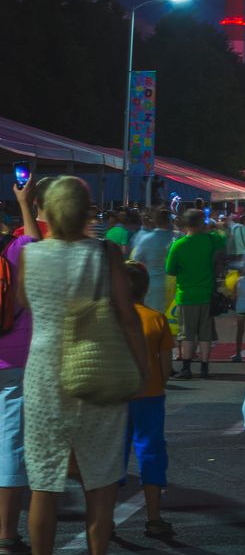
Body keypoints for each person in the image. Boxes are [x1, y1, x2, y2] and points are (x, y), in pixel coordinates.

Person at [19, 176, 147, 555]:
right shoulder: (105, 253)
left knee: (44, 482)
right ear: (85, 210)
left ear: (48, 210)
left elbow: (24, 302)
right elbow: (128, 316)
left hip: (44, 376)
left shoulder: (30, 255)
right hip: (97, 367)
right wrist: (142, 369)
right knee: (101, 480)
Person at [0, 181, 41, 555]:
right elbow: (35, 246)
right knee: (11, 447)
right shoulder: (15, 250)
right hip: (14, 361)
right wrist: (26, 203)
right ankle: (7, 534)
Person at [124, 262, 175, 538]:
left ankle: (103, 519)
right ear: (146, 289)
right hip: (150, 395)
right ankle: (154, 518)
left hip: (117, 398)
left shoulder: (111, 320)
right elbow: (166, 366)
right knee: (151, 453)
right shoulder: (157, 319)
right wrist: (158, 382)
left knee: (113, 457)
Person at [165, 208, 226, 379]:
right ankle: (204, 368)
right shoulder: (211, 239)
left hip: (186, 295)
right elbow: (222, 240)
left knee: (187, 333)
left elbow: (170, 270)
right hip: (207, 294)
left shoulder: (178, 245)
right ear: (202, 223)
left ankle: (186, 368)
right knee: (205, 333)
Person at [130, 209, 174, 311]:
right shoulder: (178, 237)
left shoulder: (146, 239)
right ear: (170, 220)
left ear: (155, 220)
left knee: (155, 313)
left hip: (154, 284)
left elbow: (136, 260)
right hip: (174, 284)